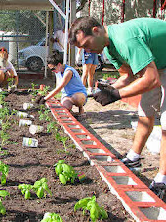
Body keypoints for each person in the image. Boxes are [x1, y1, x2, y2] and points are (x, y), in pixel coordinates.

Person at [68, 16, 166, 199]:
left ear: (96, 30)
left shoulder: (125, 39)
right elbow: (127, 76)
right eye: (83, 49)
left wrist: (116, 95)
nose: (87, 51)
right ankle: (134, 158)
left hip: (161, 65)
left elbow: (151, 79)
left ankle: (163, 180)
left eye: (86, 45)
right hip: (158, 64)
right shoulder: (109, 47)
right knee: (145, 111)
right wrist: (107, 91)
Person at [36, 51, 87, 117]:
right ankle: (72, 112)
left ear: (59, 64)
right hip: (68, 95)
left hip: (79, 94)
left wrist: (45, 99)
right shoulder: (58, 71)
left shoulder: (68, 71)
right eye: (51, 69)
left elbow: (60, 87)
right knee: (65, 107)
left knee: (76, 98)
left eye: (53, 69)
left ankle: (81, 109)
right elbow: (58, 86)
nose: (53, 71)